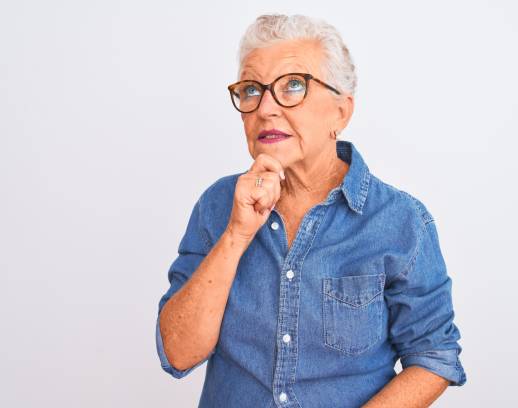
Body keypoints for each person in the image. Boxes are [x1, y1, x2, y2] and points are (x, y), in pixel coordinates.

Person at [155, 13, 466, 408]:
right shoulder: (218, 205)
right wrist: (236, 234)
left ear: (341, 111)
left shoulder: (402, 222)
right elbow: (179, 354)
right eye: (252, 89)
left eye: (293, 86)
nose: (265, 108)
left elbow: (434, 356)